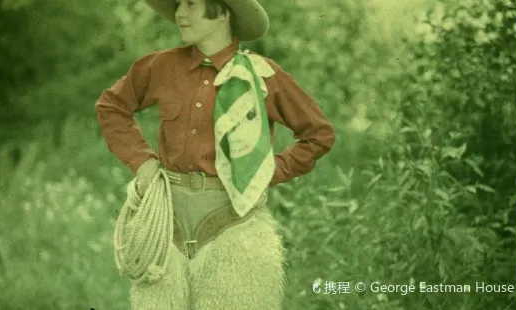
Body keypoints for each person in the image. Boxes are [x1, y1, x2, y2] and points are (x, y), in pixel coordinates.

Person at [95, 0, 336, 309]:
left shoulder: (261, 74)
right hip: (167, 227)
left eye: (192, 3)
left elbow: (319, 134)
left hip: (235, 227)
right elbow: (111, 107)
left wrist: (267, 171)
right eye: (179, 4)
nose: (180, 13)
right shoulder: (161, 66)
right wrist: (142, 161)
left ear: (223, 12)